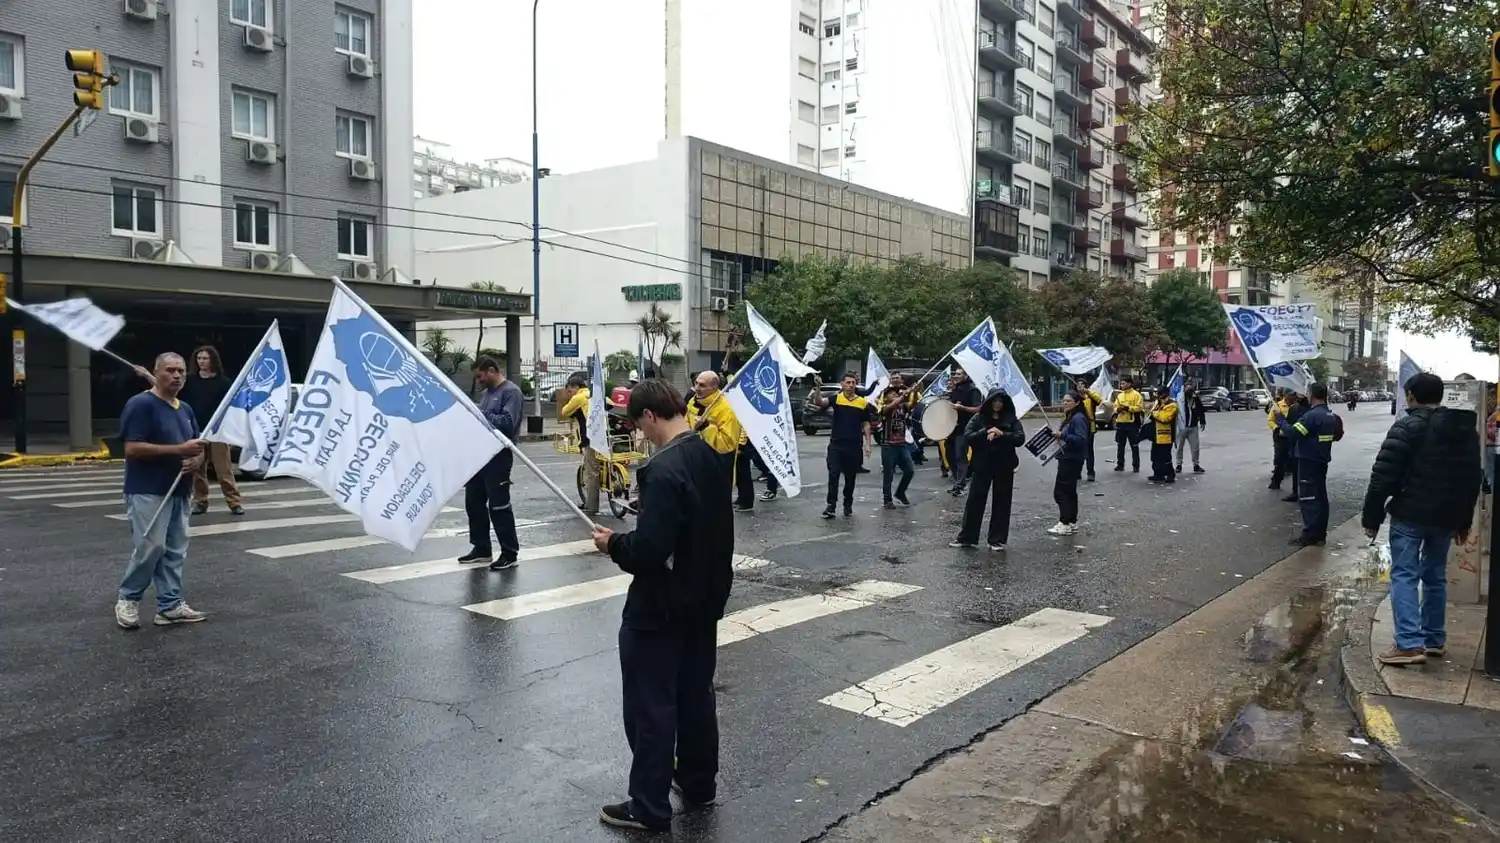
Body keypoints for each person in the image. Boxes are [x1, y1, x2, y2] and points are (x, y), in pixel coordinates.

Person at [589, 379, 733, 832]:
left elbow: (649, 551)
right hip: (704, 601)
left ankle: (648, 806)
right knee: (695, 696)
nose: (640, 434)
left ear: (650, 415)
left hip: (660, 609)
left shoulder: (661, 468)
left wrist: (613, 543)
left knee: (651, 706)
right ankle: (697, 784)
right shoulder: (709, 455)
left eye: (638, 425)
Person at [1361, 372, 1483, 666]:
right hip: (1446, 516)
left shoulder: (1407, 427)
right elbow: (1471, 478)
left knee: (1404, 574)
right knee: (1435, 575)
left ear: (1412, 396)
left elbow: (1383, 478)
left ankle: (1408, 644)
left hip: (1411, 514)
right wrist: (1464, 520)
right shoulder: (1464, 430)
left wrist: (1372, 518)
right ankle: (1433, 639)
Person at [114, 352, 209, 630]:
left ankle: (169, 605)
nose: (177, 375)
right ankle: (128, 598)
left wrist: (196, 460)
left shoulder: (185, 409)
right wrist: (179, 450)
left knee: (175, 550)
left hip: (179, 489)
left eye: (181, 371)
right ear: (156, 372)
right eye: (170, 370)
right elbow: (132, 448)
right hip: (147, 489)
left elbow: (198, 447)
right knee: (150, 547)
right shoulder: (141, 405)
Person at [459, 356, 526, 570]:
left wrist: (479, 414)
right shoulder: (487, 394)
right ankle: (481, 548)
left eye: (480, 376)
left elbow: (507, 423)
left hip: (499, 456)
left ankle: (509, 552)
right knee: (474, 503)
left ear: (491, 370)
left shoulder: (511, 392)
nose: (478, 381)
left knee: (499, 506)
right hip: (480, 455)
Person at [950, 389, 1025, 550]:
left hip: (1004, 464)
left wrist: (1002, 434)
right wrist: (986, 431)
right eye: (994, 400)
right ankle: (967, 537)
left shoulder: (1011, 419)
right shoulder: (978, 418)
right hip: (982, 464)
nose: (997, 404)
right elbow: (968, 436)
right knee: (975, 500)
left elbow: (1020, 438)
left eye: (1000, 401)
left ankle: (997, 539)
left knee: (1002, 501)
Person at [178, 345, 244, 516]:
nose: (202, 362)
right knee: (198, 470)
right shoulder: (190, 380)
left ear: (213, 360)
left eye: (205, 358)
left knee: (224, 469)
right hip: (196, 430)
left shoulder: (223, 381)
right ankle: (200, 502)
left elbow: (230, 407)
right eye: (199, 358)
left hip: (217, 430)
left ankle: (234, 502)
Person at [1271, 383, 1338, 546]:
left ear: (1312, 395)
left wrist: (1280, 418)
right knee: (1320, 496)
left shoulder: (1312, 415)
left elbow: (1293, 433)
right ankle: (1320, 533)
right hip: (1321, 459)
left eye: (1307, 393)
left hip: (1309, 459)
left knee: (1308, 497)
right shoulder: (1329, 414)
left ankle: (1310, 534)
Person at [807, 372, 874, 518]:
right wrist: (818, 387)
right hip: (836, 445)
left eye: (853, 383)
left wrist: (868, 444)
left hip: (854, 446)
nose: (851, 385)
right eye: (848, 382)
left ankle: (847, 503)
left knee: (850, 478)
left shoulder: (862, 403)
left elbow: (866, 424)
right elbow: (819, 402)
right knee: (834, 475)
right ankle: (831, 506)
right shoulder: (836, 398)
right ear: (842, 384)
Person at [685, 370, 751, 510]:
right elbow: (686, 425)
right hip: (695, 462)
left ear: (714, 387)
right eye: (696, 383)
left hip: (717, 467)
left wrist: (706, 427)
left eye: (702, 385)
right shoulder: (693, 401)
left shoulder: (726, 409)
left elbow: (727, 445)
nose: (697, 388)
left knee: (716, 513)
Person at [558, 373, 602, 515]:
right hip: (604, 434)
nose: (569, 393)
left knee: (592, 472)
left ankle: (592, 506)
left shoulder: (579, 397)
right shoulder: (593, 394)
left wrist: (568, 401)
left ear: (576, 387)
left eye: (570, 390)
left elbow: (564, 412)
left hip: (591, 437)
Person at [1048, 392, 1091, 536]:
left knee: (1061, 492)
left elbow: (1081, 439)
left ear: (1077, 403)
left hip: (1071, 459)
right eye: (1064, 400)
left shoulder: (1078, 418)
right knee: (1070, 491)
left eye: (1069, 401)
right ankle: (1071, 521)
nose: (1065, 403)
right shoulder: (1071, 417)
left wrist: (1062, 435)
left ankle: (1064, 523)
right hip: (1069, 457)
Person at [877, 378, 916, 508]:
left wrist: (914, 392)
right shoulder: (884, 408)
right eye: (891, 394)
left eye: (896, 393)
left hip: (902, 444)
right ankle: (887, 500)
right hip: (888, 445)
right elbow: (890, 407)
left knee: (910, 470)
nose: (894, 394)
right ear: (886, 397)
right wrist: (904, 395)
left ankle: (900, 492)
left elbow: (913, 404)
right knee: (889, 474)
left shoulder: (902, 407)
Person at [945, 367, 984, 494]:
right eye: (955, 374)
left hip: (965, 428)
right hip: (952, 428)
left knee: (960, 456)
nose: (956, 376)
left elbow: (978, 409)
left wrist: (962, 408)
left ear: (966, 376)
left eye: (959, 374)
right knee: (949, 454)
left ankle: (960, 485)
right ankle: (958, 482)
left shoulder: (973, 390)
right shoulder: (955, 390)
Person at [1111, 375, 1145, 473]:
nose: (1121, 385)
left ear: (1129, 383)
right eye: (1121, 383)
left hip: (1132, 424)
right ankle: (1120, 464)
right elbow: (1114, 407)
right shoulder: (1120, 395)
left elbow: (1139, 407)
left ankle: (1136, 465)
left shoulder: (1136, 395)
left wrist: (1128, 408)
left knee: (1134, 445)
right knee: (1120, 446)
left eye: (1123, 383)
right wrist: (1118, 409)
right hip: (1121, 423)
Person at [1147, 386, 1179, 483]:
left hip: (1166, 436)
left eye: (1159, 394)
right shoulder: (1158, 404)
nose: (1157, 396)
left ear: (1165, 393)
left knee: (1165, 457)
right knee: (1155, 456)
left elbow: (1165, 418)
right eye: (1157, 394)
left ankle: (1170, 474)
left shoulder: (1172, 405)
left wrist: (1155, 414)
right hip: (1156, 435)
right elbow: (1150, 414)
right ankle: (1158, 474)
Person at [1073, 376, 1103, 482]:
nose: (1080, 386)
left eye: (1082, 384)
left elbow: (1099, 400)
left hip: (1089, 424)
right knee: (1077, 449)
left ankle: (1091, 472)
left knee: (1089, 450)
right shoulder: (1074, 397)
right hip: (1077, 425)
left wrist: (1088, 392)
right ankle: (1077, 472)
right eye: (1078, 384)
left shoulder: (1090, 397)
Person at [1174, 385, 1207, 475]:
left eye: (1191, 391)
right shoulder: (1180, 399)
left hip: (1193, 426)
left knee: (1195, 447)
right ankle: (1178, 465)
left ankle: (1196, 465)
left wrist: (1203, 421)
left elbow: (1201, 410)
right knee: (1179, 447)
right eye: (1188, 390)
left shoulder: (1195, 399)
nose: (1189, 392)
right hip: (1182, 426)